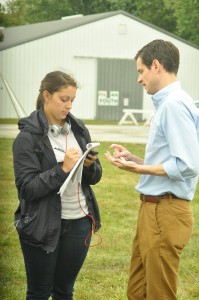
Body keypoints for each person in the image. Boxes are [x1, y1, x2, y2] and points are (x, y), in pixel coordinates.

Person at [105, 39, 199, 300]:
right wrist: (135, 160)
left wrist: (138, 169)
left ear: (156, 65)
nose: (139, 79)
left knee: (157, 294)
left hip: (164, 210)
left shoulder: (173, 105)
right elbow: (171, 157)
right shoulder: (169, 104)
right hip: (153, 209)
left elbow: (188, 164)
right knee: (138, 291)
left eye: (141, 71)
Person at [13, 70, 102, 300]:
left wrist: (90, 164)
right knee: (39, 292)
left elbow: (94, 178)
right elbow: (27, 189)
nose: (69, 105)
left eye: (73, 100)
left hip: (79, 223)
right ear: (46, 95)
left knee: (64, 291)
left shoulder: (79, 129)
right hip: (42, 226)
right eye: (64, 99)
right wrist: (62, 169)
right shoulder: (27, 138)